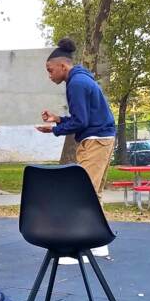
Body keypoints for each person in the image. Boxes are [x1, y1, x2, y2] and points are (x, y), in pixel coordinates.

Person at [36, 38, 116, 258]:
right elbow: (83, 118)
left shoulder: (76, 83)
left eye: (50, 70)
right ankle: (98, 243)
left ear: (63, 66)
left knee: (83, 194)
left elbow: (81, 122)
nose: (49, 75)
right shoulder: (80, 79)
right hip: (101, 137)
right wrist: (59, 120)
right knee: (93, 192)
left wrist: (54, 130)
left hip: (96, 139)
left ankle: (79, 248)